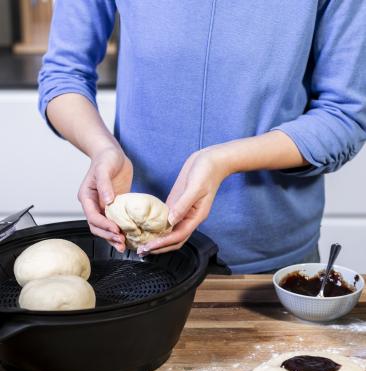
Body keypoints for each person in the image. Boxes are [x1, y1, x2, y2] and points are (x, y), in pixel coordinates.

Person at [38, 1, 366, 274]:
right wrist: (102, 149)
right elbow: (64, 73)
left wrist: (222, 161)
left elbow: (345, 115)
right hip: (135, 245)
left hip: (269, 257)